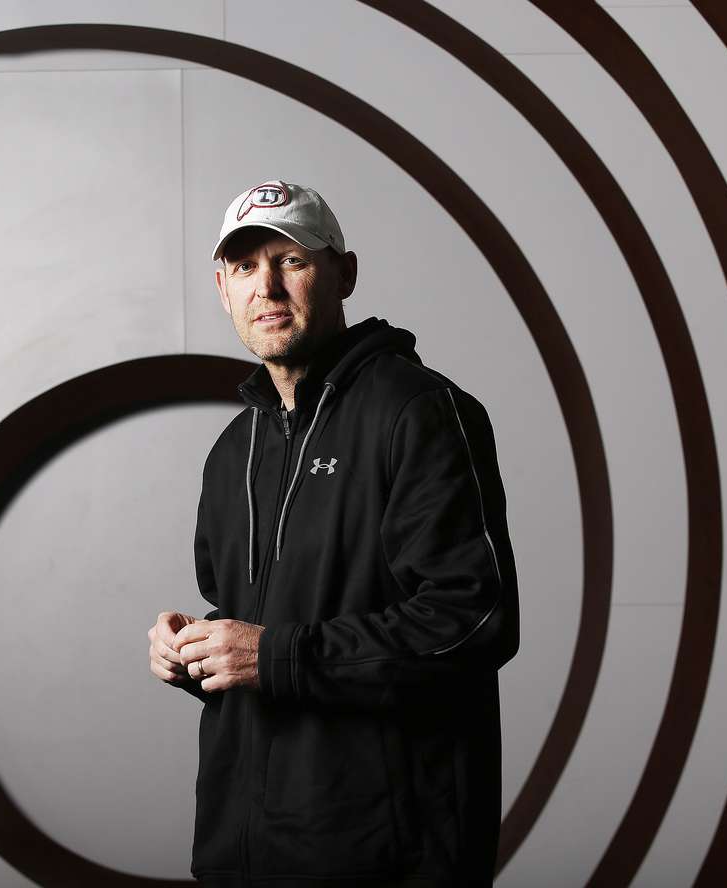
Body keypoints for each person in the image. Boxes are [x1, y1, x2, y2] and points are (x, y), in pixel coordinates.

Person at [147, 179, 519, 886]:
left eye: (292, 260)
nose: (268, 287)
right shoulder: (234, 451)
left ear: (343, 273)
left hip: (385, 856)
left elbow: (472, 620)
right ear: (223, 288)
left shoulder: (421, 413)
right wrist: (198, 650)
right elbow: (262, 631)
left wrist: (273, 655)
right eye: (247, 267)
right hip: (247, 851)